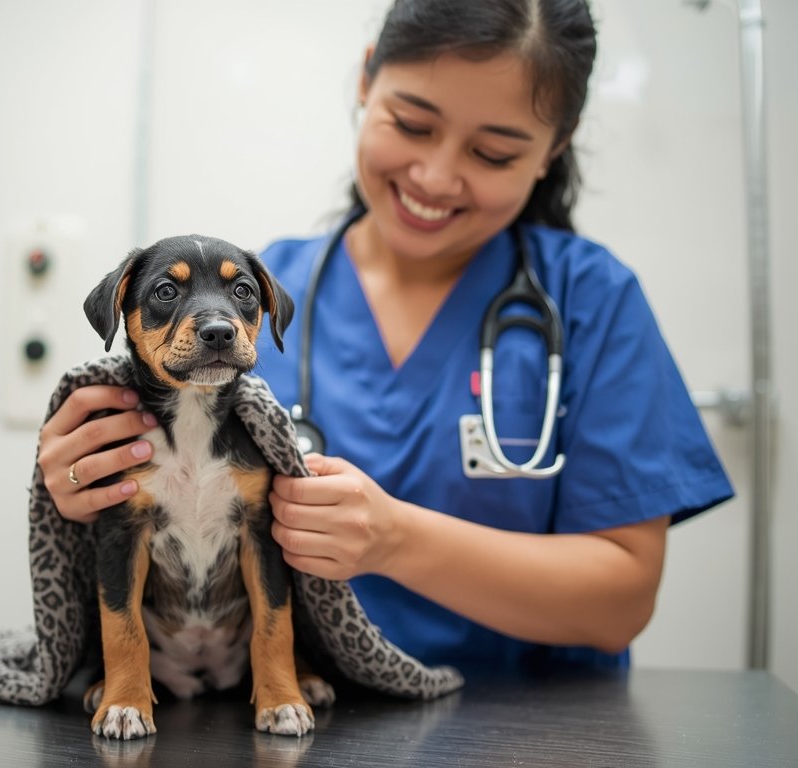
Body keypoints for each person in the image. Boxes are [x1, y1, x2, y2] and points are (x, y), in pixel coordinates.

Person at [37, 0, 733, 672]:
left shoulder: (592, 301)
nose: (435, 176)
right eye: (412, 122)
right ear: (367, 79)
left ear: (555, 148)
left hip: (537, 730)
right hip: (298, 720)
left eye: (493, 153)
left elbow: (620, 602)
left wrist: (396, 541)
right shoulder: (255, 300)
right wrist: (82, 482)